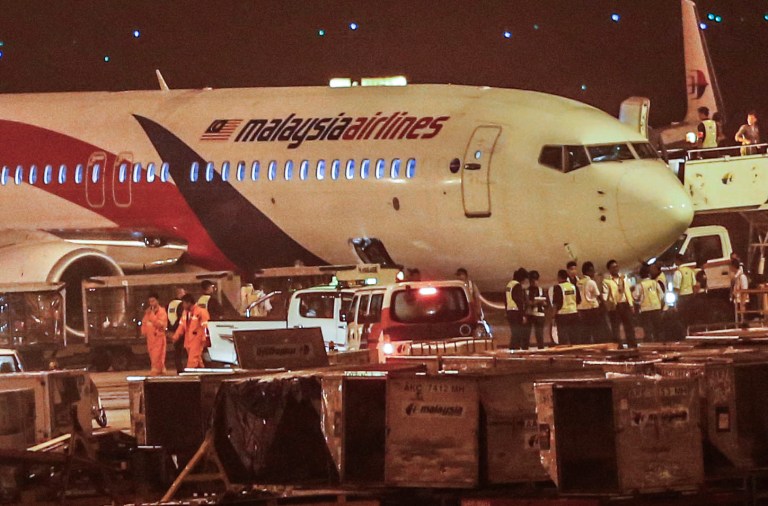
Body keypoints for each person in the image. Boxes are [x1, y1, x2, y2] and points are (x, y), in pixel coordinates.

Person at [602, 260, 637, 348]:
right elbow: (605, 295)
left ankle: (632, 345)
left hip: (625, 304)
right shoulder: (606, 281)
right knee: (616, 328)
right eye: (613, 267)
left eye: (617, 267)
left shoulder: (623, 278)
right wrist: (608, 303)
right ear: (609, 269)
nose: (616, 269)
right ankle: (618, 346)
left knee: (629, 326)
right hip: (615, 306)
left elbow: (627, 291)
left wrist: (631, 304)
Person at [172, 293, 210, 370]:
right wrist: (175, 336)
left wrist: (205, 339)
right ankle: (202, 373)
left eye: (184, 303)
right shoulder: (185, 313)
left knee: (192, 361)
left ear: (189, 303)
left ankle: (190, 375)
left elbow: (206, 327)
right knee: (197, 361)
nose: (183, 305)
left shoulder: (201, 312)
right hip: (188, 341)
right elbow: (181, 326)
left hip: (197, 340)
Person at [633, 264, 664, 343]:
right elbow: (661, 295)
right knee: (658, 328)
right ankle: (659, 343)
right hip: (656, 308)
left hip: (645, 309)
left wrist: (639, 302)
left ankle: (649, 344)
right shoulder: (655, 283)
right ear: (649, 274)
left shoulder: (640, 285)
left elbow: (635, 296)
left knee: (647, 330)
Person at [576, 261, 605, 344]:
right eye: (593, 271)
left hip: (582, 310)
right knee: (596, 332)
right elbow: (598, 295)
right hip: (593, 309)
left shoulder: (578, 282)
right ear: (589, 271)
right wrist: (603, 305)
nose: (594, 273)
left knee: (586, 332)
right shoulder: (591, 282)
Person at [141, 293, 168, 375]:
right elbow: (144, 323)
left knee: (158, 355)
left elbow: (160, 324)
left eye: (153, 301)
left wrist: (152, 315)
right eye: (150, 301)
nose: (151, 303)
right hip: (150, 338)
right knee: (152, 355)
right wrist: (144, 332)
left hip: (159, 337)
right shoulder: (147, 313)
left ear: (157, 301)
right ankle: (159, 368)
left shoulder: (162, 312)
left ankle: (157, 369)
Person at [551, 269, 579, 346]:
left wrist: (553, 317)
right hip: (574, 313)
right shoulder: (573, 286)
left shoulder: (558, 287)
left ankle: (564, 354)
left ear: (559, 277)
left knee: (563, 337)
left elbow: (556, 303)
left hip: (562, 315)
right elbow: (578, 300)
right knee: (574, 336)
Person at [505, 268, 529, 349]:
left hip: (509, 311)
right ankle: (514, 349)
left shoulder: (509, 284)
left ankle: (513, 349)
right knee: (517, 333)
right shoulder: (517, 286)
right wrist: (523, 315)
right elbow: (519, 301)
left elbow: (505, 299)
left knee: (514, 332)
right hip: (516, 312)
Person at [672, 254, 696, 328]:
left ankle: (684, 332)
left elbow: (676, 288)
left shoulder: (677, 272)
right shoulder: (690, 271)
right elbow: (694, 284)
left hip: (682, 297)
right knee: (690, 316)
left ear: (677, 261)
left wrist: (675, 302)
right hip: (691, 296)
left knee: (682, 317)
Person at [526, 270, 548, 349]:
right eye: (532, 280)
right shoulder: (527, 291)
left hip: (540, 315)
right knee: (526, 335)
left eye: (536, 280)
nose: (534, 282)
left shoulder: (541, 290)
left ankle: (541, 350)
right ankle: (525, 350)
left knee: (539, 335)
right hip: (530, 314)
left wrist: (542, 303)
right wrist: (534, 302)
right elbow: (527, 302)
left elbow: (547, 303)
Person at [167, 287, 187, 374]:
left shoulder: (170, 304)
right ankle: (183, 369)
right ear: (179, 294)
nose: (184, 294)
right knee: (184, 350)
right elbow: (181, 318)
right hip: (180, 330)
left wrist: (169, 330)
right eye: (183, 293)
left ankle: (179, 369)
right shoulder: (181, 304)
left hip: (172, 330)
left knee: (177, 351)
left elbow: (167, 317)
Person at [730, 258, 749, 324]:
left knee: (742, 319)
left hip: (742, 301)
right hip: (737, 301)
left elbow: (744, 290)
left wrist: (743, 303)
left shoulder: (742, 276)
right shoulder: (736, 277)